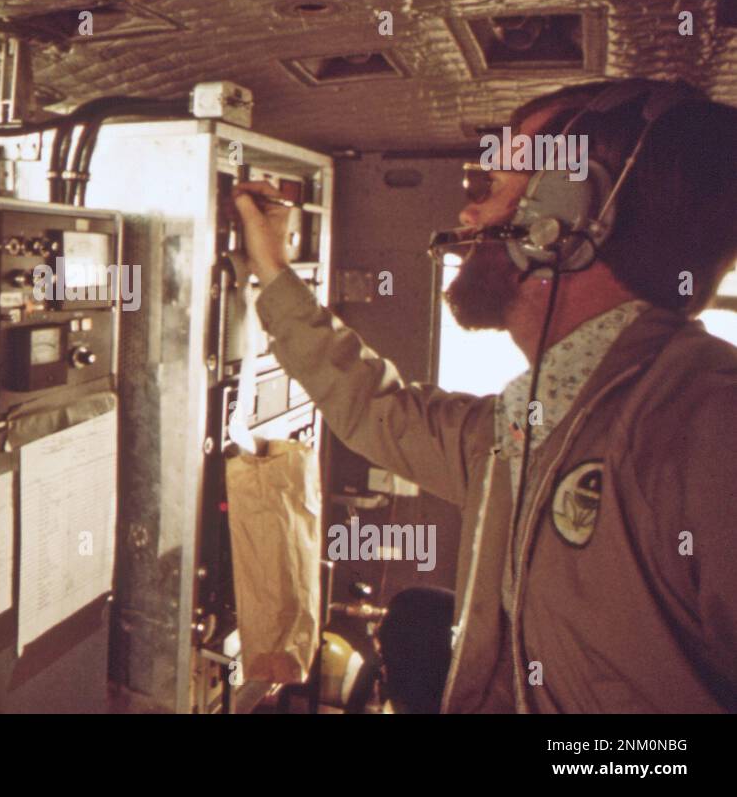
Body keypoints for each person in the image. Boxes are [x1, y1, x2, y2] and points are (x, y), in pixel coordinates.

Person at [233, 78, 737, 713]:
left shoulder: (712, 428)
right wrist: (273, 270)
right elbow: (376, 409)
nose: (468, 215)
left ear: (568, 216)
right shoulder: (532, 423)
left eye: (491, 188)